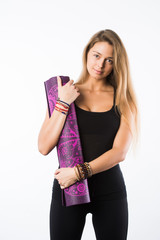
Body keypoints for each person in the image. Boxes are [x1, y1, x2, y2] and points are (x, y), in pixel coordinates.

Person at [38, 29, 139, 240]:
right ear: (87, 53)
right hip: (68, 191)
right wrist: (63, 103)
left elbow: (119, 152)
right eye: (97, 55)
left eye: (109, 60)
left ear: (116, 64)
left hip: (109, 192)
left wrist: (78, 173)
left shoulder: (123, 99)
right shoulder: (64, 92)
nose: (100, 65)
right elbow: (44, 146)